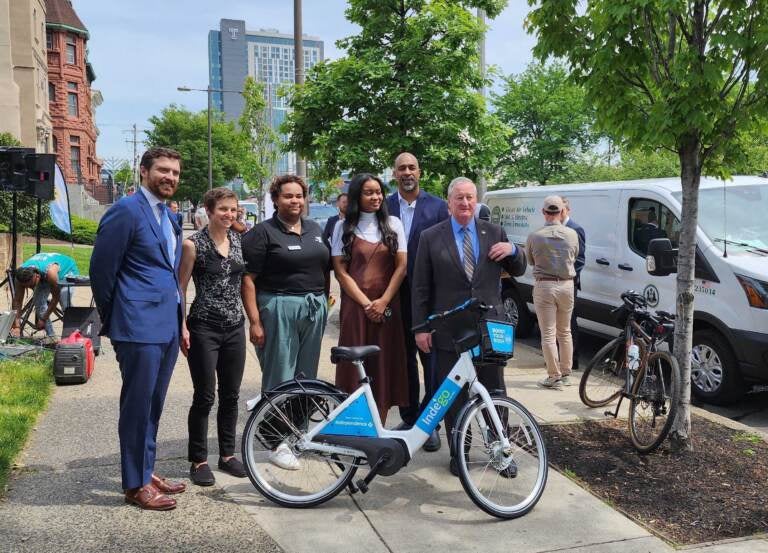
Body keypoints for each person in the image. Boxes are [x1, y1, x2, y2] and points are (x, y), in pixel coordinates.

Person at [90, 147, 186, 511]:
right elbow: (102, 270)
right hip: (137, 327)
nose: (170, 178)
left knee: (154, 404)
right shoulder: (125, 211)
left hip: (167, 325)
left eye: (175, 172)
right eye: (163, 170)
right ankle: (134, 484)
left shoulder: (170, 216)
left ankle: (145, 470)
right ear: (144, 171)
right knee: (137, 405)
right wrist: (116, 318)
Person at [412, 177, 527, 475]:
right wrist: (420, 328)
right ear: (449, 202)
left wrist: (513, 251)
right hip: (449, 329)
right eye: (459, 198)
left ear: (476, 201)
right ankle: (459, 453)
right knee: (455, 396)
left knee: (495, 391)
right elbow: (420, 287)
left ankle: (500, 451)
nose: (465, 203)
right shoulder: (430, 237)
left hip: (489, 328)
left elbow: (520, 267)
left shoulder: (494, 233)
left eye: (470, 198)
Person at [242, 175, 330, 470]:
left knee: (306, 377)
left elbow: (324, 267)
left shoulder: (315, 229)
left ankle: (298, 433)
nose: (295, 201)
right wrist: (255, 321)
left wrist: (324, 302)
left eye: (299, 196)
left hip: (312, 308)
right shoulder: (262, 233)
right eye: (288, 196)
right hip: (278, 305)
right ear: (276, 200)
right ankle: (274, 440)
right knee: (280, 375)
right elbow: (248, 280)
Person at [179, 188, 247, 487]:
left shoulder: (238, 241)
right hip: (204, 326)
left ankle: (228, 454)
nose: (229, 215)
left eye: (233, 210)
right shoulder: (193, 245)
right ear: (208, 210)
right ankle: (199, 459)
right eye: (223, 209)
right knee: (205, 396)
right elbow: (179, 288)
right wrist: (181, 325)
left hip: (234, 326)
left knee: (231, 395)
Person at [332, 174, 409, 425]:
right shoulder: (343, 227)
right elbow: (341, 272)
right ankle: (355, 427)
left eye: (378, 192)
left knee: (383, 366)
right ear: (357, 196)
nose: (375, 197)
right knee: (354, 368)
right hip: (356, 310)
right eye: (368, 192)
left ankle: (380, 427)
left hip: (387, 309)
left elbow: (401, 267)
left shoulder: (393, 224)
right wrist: (367, 303)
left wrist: (383, 301)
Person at [385, 152, 449, 451]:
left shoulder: (438, 207)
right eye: (401, 168)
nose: (407, 172)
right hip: (395, 298)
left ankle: (429, 422)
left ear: (419, 172)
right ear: (394, 174)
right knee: (404, 362)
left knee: (432, 364)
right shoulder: (383, 207)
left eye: (412, 167)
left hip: (428, 300)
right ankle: (409, 418)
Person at [525, 196, 579, 390]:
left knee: (548, 334)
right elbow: (575, 255)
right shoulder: (572, 234)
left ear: (544, 212)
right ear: (561, 212)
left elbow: (530, 260)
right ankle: (566, 373)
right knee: (565, 331)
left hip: (545, 285)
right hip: (567, 285)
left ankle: (554, 376)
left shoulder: (535, 236)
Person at [11, 252, 78, 337]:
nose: (30, 288)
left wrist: (43, 319)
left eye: (31, 285)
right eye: (26, 286)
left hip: (66, 271)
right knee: (38, 301)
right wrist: (17, 326)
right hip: (43, 274)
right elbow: (17, 301)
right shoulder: (19, 275)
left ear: (37, 277)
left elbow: (55, 297)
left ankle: (75, 333)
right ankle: (51, 337)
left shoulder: (50, 273)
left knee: (64, 301)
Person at [560, 197, 586, 371]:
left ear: (567, 210)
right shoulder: (551, 229)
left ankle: (572, 360)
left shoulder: (575, 229)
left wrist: (568, 276)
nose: (557, 213)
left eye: (560, 210)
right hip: (553, 282)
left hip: (569, 283)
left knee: (569, 322)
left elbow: (580, 259)